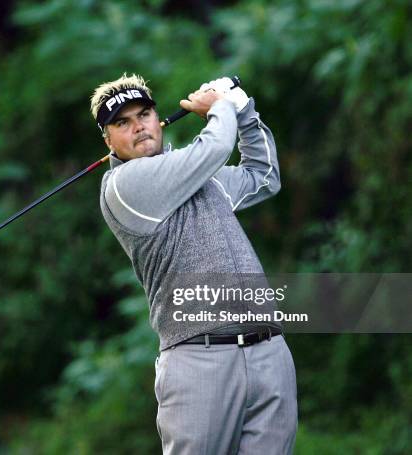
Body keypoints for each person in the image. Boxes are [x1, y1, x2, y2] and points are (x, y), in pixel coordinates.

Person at [90, 74, 298, 454]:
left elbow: (264, 177)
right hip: (199, 360)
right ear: (108, 141)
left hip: (268, 351)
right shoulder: (124, 185)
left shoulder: (198, 176)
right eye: (123, 122)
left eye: (145, 114)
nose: (138, 127)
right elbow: (215, 146)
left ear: (158, 119)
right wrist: (219, 106)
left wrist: (244, 111)